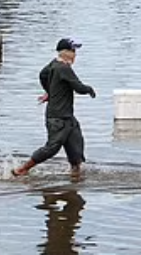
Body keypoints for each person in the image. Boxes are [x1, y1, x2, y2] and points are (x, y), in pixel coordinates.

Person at [12, 38, 96, 177]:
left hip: (67, 117)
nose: (75, 54)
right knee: (52, 148)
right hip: (58, 118)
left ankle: (76, 176)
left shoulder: (53, 64)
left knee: (76, 146)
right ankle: (23, 169)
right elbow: (78, 87)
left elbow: (43, 75)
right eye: (73, 51)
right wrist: (90, 89)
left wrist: (50, 92)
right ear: (66, 53)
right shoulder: (64, 68)